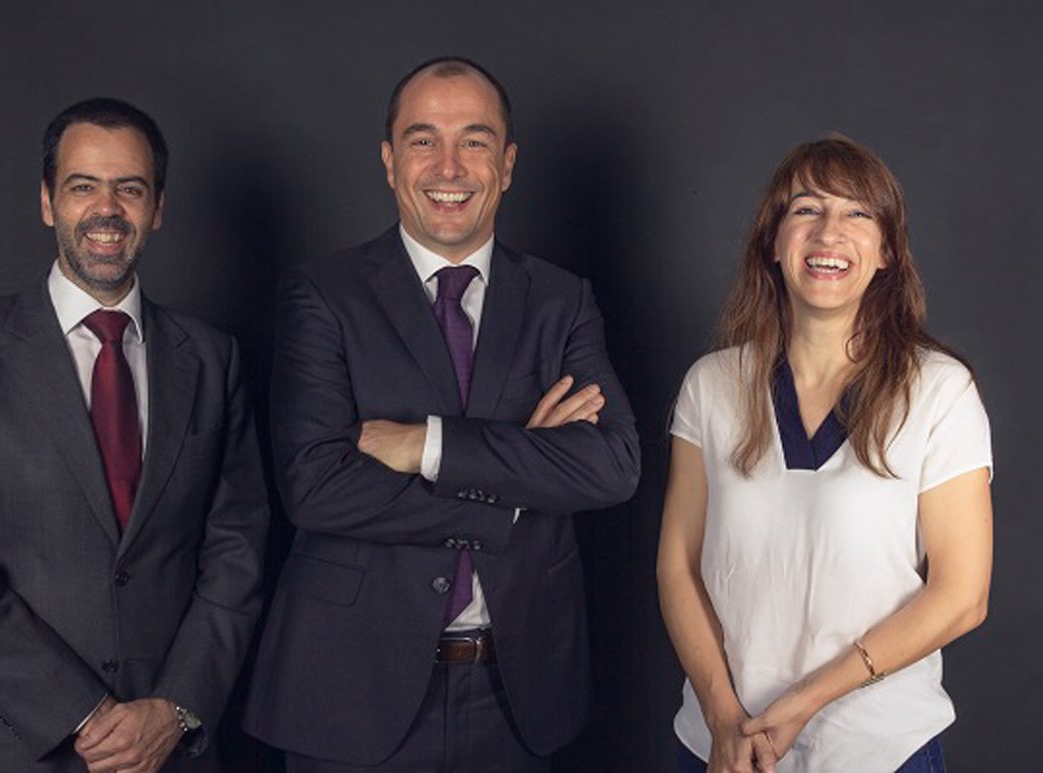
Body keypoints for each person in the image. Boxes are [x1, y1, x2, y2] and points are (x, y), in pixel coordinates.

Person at [242, 57, 640, 771]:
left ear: (507, 164)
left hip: (518, 695)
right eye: (423, 139)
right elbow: (316, 486)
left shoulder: (560, 300)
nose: (448, 167)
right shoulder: (323, 295)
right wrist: (515, 484)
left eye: (474, 141)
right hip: (350, 690)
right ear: (390, 161)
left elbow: (612, 466)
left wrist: (427, 444)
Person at [0, 97, 269, 772]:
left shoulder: (214, 359)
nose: (107, 209)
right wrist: (84, 713)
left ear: (158, 207)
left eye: (130, 188)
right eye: (82, 186)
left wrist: (176, 707)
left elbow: (236, 550)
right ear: (47, 202)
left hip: (164, 746)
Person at [656, 136, 993, 772]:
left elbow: (962, 595)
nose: (829, 232)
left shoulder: (939, 390)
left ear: (887, 251)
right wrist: (723, 717)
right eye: (807, 209)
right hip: (722, 745)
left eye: (857, 213)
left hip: (879, 748)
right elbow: (678, 565)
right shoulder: (712, 384)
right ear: (773, 241)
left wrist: (804, 702)